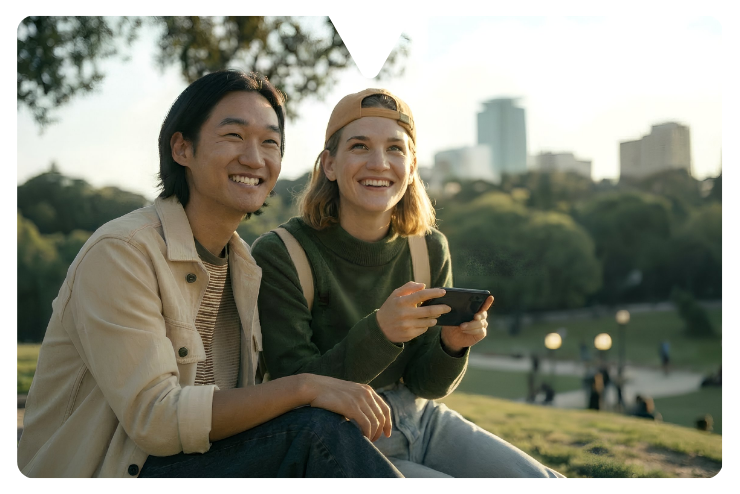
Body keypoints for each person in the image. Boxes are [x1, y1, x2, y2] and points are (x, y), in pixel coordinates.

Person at [17, 71, 402, 478]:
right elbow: (157, 419)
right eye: (234, 136)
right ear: (182, 148)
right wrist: (305, 387)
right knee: (316, 435)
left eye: (270, 142)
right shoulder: (121, 252)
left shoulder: (246, 268)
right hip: (111, 473)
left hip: (198, 464)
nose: (255, 158)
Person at [252, 88, 563, 478]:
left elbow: (425, 384)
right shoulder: (282, 253)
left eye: (396, 149)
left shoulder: (429, 248)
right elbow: (292, 387)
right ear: (329, 164)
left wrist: (452, 347)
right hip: (341, 438)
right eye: (360, 146)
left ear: (412, 165)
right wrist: (381, 332)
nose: (379, 163)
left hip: (420, 416)